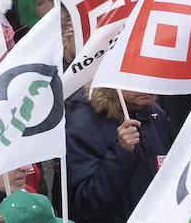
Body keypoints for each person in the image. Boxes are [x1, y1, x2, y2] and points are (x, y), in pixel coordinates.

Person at [65, 86, 174, 222]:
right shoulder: (84, 123)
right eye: (135, 77)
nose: (146, 86)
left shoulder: (155, 113)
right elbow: (86, 205)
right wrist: (121, 152)